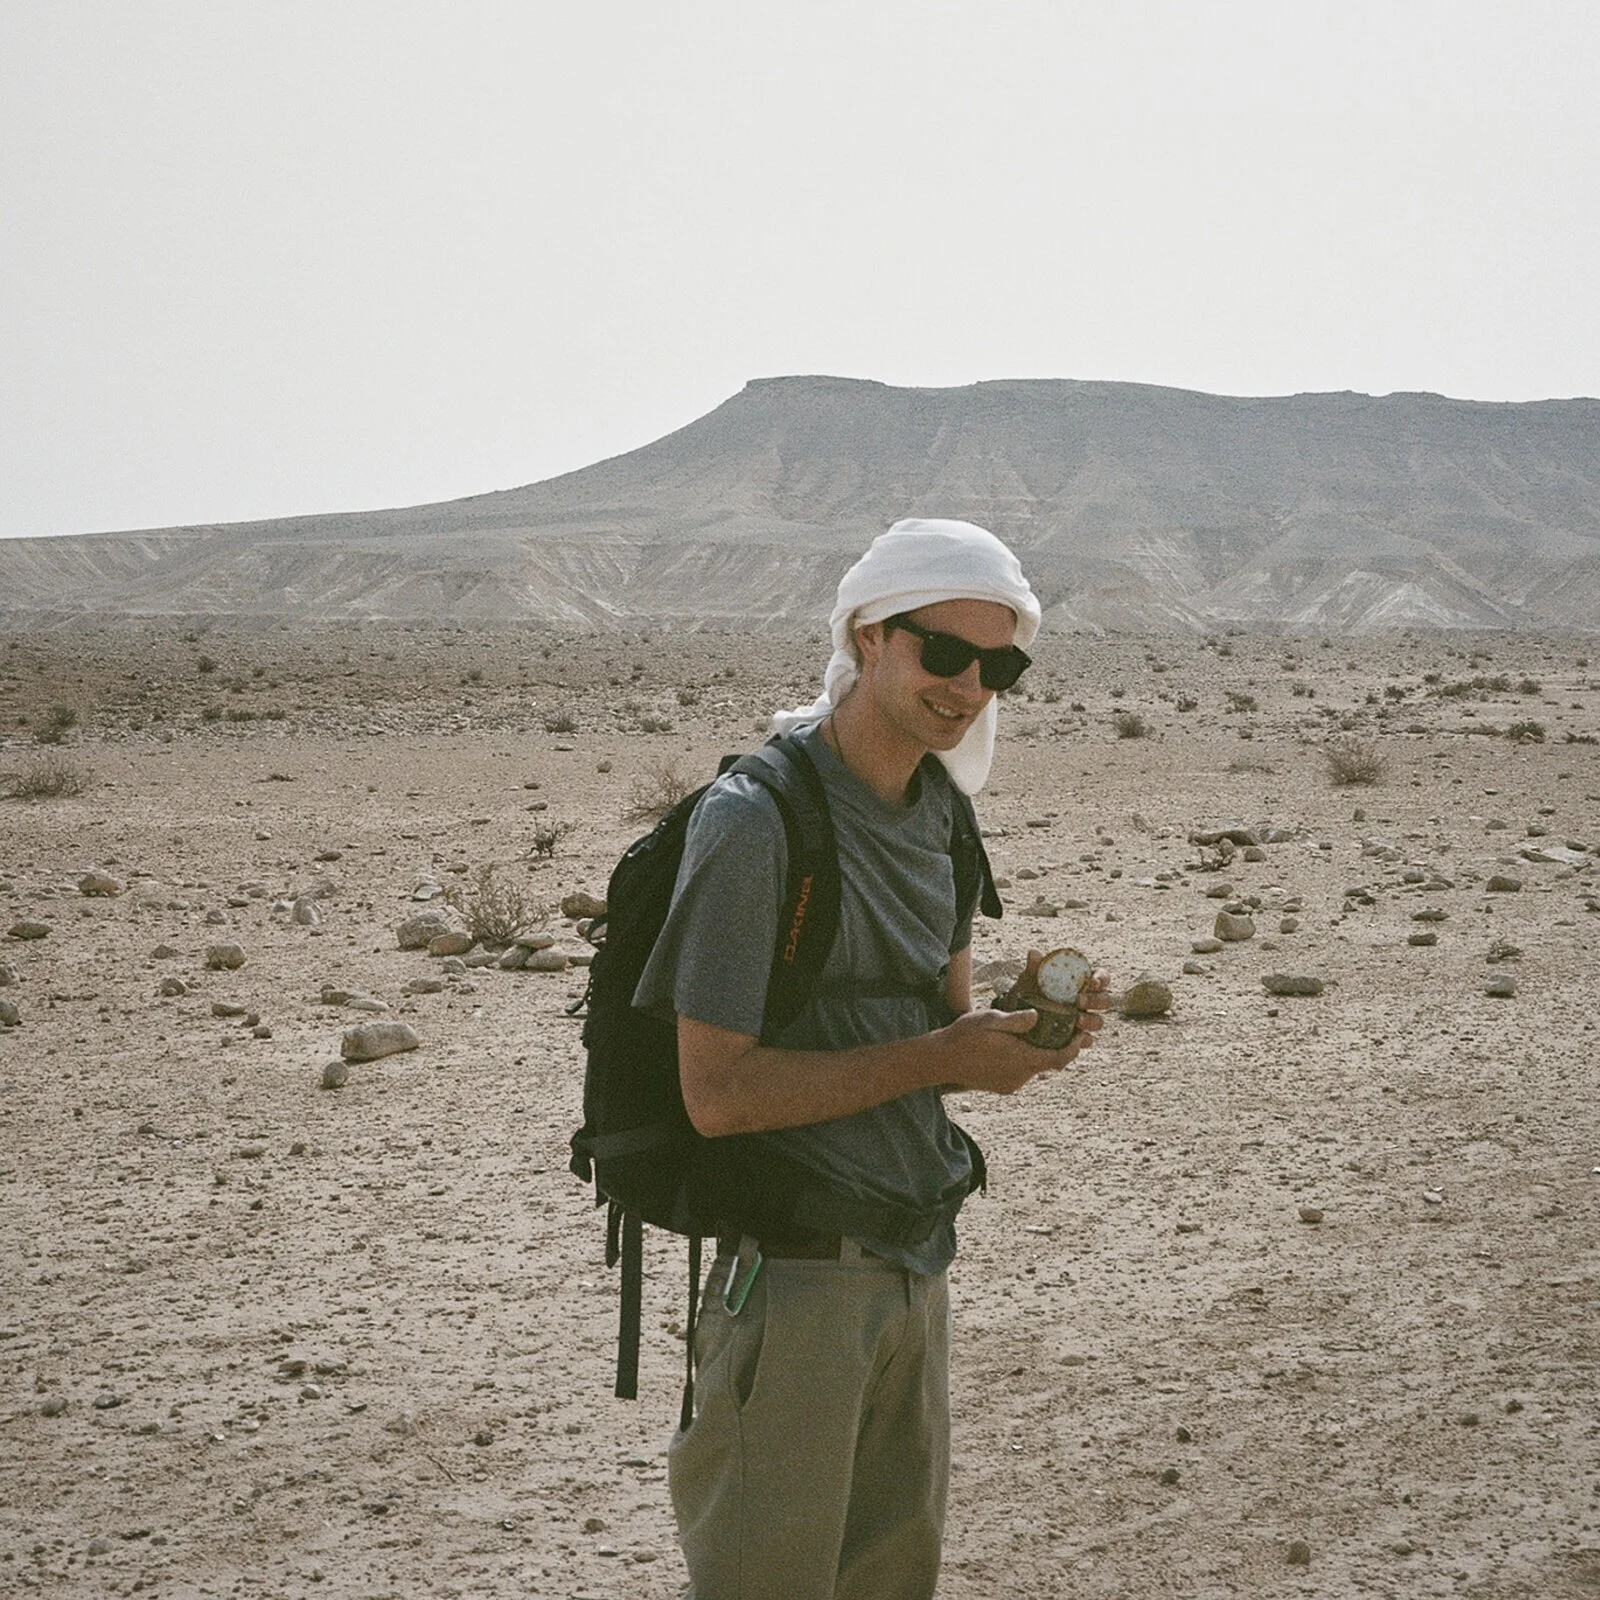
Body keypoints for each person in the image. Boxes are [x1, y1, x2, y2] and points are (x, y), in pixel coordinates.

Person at [634, 517, 1107, 1600]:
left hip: (915, 1268)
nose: (968, 687)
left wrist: (1018, 1035)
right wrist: (941, 1055)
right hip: (796, 1281)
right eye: (943, 651)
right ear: (868, 637)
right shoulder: (756, 822)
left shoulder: (945, 817)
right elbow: (716, 1094)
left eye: (998, 666)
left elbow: (942, 1030)